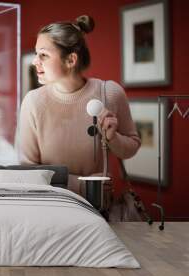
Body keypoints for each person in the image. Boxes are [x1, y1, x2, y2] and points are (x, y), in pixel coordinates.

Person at [19, 15, 141, 195]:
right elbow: (27, 170)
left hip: (101, 211)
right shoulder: (33, 102)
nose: (34, 61)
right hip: (52, 208)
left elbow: (131, 147)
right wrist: (82, 185)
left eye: (43, 55)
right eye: (36, 54)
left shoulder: (110, 93)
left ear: (70, 60)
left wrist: (113, 138)